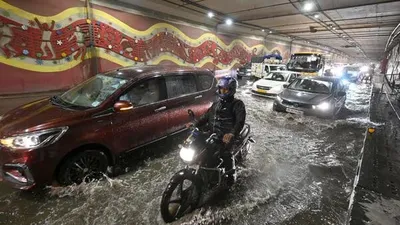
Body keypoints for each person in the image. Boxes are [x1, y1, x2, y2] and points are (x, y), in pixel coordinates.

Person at [190, 76, 246, 185]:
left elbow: (240, 122)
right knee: (197, 146)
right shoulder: (216, 104)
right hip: (213, 135)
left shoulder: (237, 104)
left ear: (231, 90)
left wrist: (231, 133)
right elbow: (206, 116)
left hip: (227, 137)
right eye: (221, 89)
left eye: (225, 89)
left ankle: (231, 175)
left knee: (226, 154)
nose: (222, 91)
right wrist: (195, 124)